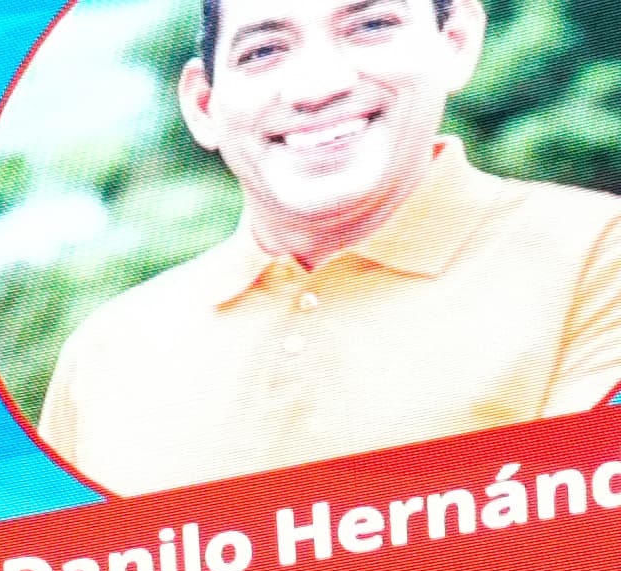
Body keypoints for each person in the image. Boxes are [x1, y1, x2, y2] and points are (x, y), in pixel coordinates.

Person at [33, 0, 621, 493]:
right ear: (204, 106)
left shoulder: (597, 257)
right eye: (262, 51)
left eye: (370, 26)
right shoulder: (105, 356)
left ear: (456, 41)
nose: (318, 86)